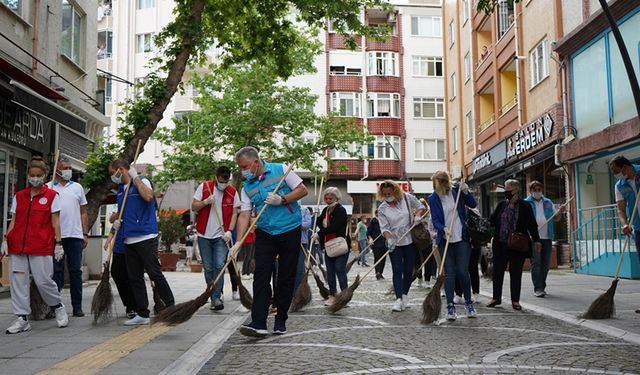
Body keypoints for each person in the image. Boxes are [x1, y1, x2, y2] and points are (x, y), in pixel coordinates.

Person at [232, 147, 308, 337]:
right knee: (261, 275)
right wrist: (238, 242)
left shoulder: (281, 170)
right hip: (265, 232)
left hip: (290, 228)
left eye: (245, 167)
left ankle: (281, 319)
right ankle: (258, 321)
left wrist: (282, 199)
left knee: (285, 275)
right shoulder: (247, 187)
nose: (243, 171)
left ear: (256, 162)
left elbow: (302, 190)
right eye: (241, 168)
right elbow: (244, 214)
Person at [2, 156, 68, 333]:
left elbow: (56, 222)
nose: (35, 178)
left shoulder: (52, 196)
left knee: (43, 281)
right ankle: (22, 318)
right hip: (18, 246)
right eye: (32, 175)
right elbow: (14, 220)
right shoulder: (19, 196)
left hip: (41, 245)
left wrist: (58, 243)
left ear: (45, 175)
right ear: (28, 175)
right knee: (18, 282)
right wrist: (6, 239)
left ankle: (58, 306)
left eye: (39, 175)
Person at [109, 158, 175, 325]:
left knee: (154, 273)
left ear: (122, 170)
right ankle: (142, 313)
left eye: (113, 174)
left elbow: (148, 197)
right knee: (135, 277)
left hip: (145, 236)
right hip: (128, 238)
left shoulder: (142, 181)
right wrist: (116, 222)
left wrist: (135, 178)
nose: (113, 177)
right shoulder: (121, 190)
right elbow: (123, 211)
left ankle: (171, 306)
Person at [428, 171, 478, 320]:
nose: (436, 187)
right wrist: (443, 228)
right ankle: (450, 307)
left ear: (444, 182)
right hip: (445, 239)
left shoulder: (456, 192)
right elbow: (436, 219)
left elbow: (473, 204)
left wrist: (466, 191)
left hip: (461, 237)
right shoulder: (433, 198)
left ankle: (469, 303)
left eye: (438, 184)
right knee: (449, 273)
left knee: (463, 271)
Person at [192, 166, 241, 310]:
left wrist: (230, 231)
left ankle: (216, 298)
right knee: (208, 268)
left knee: (219, 266)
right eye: (220, 182)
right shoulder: (205, 186)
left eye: (225, 182)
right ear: (215, 178)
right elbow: (194, 206)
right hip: (203, 235)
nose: (223, 185)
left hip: (221, 236)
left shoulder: (232, 192)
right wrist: (205, 202)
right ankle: (213, 293)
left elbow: (234, 213)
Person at [488, 179, 541, 311]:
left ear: (516, 190)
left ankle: (515, 300)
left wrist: (536, 240)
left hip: (517, 245)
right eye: (505, 190)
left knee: (516, 272)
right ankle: (496, 298)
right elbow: (492, 221)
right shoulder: (501, 205)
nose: (506, 193)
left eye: (508, 190)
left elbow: (532, 225)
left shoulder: (525, 206)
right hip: (500, 244)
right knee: (497, 271)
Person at [50, 156, 89, 317]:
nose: (68, 170)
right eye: (65, 167)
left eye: (69, 167)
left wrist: (85, 233)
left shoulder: (77, 188)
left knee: (75, 271)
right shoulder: (49, 187)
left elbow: (83, 212)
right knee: (56, 272)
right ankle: (55, 306)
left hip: (74, 234)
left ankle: (77, 307)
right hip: (55, 236)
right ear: (57, 170)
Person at [377, 180, 425, 312]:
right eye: (385, 194)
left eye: (389, 193)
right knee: (397, 269)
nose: (387, 196)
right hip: (394, 243)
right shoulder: (382, 209)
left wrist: (417, 216)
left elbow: (421, 207)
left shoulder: (407, 198)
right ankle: (398, 299)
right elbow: (384, 228)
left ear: (395, 191)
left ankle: (404, 295)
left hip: (410, 240)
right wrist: (389, 239)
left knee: (408, 270)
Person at [609, 156, 640, 313]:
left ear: (626, 167)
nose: (616, 175)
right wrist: (625, 224)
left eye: (616, 171)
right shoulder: (619, 186)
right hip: (638, 227)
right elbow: (620, 209)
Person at [525, 180, 563, 297]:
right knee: (536, 262)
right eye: (534, 190)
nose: (537, 192)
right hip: (533, 237)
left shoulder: (548, 202)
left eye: (539, 190)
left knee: (546, 263)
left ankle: (541, 285)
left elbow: (556, 218)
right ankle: (538, 288)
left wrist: (560, 212)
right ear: (530, 191)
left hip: (547, 237)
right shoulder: (526, 203)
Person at [314, 187, 350, 306]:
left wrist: (319, 234)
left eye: (331, 198)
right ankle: (333, 295)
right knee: (330, 272)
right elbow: (320, 224)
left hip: (340, 244)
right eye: (326, 198)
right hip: (328, 245)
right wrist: (317, 216)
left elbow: (335, 227)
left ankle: (344, 295)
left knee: (339, 268)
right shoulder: (326, 210)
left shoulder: (341, 210)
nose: (328, 200)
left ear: (337, 198)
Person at [105, 216, 136, 319]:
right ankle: (128, 303)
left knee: (129, 277)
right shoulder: (120, 209)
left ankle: (132, 306)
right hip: (118, 249)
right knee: (116, 273)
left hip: (131, 249)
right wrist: (107, 241)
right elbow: (112, 224)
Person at [295, 204, 313, 289]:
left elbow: (307, 225)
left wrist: (294, 223)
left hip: (302, 241)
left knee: (300, 267)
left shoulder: (304, 210)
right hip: (287, 242)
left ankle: (298, 290)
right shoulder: (285, 209)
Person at [366, 210, 387, 280]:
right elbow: (368, 232)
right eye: (379, 213)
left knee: (383, 259)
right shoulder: (373, 221)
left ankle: (381, 273)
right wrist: (370, 238)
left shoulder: (385, 221)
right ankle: (377, 272)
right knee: (377, 258)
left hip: (384, 244)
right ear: (376, 214)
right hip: (376, 244)